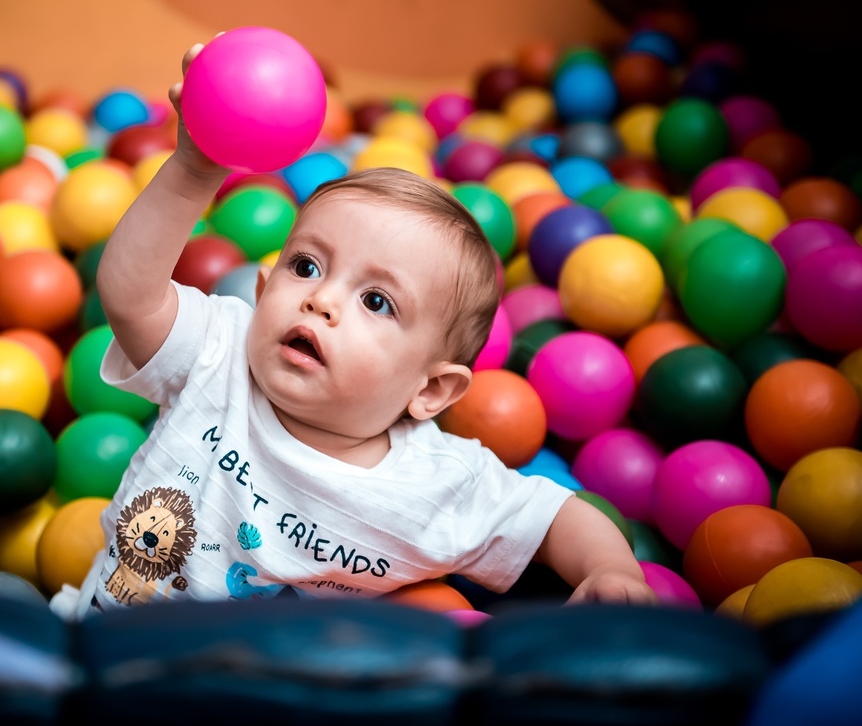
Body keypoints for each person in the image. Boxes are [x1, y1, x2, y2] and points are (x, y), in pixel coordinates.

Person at [49, 40, 655, 620]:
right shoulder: (218, 352)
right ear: (261, 293)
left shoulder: (434, 485)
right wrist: (193, 169)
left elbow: (552, 517)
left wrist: (611, 568)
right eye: (306, 266)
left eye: (376, 301)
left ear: (431, 391)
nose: (321, 300)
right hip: (98, 647)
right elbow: (130, 295)